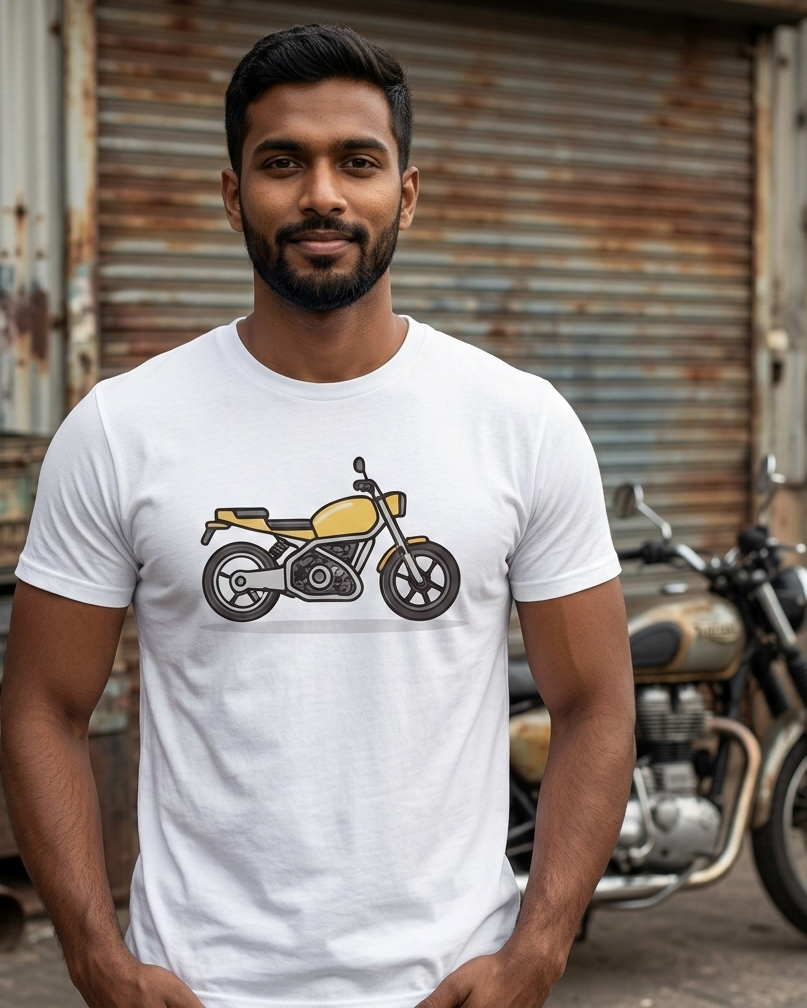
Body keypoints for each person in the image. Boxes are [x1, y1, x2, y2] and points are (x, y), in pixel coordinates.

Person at [0, 23, 635, 1008]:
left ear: (405, 195)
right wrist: (95, 956)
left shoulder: (520, 421)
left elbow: (593, 704)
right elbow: (43, 706)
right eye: (283, 162)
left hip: (449, 982)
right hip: (203, 983)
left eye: (358, 162)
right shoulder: (122, 427)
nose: (323, 194)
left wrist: (539, 948)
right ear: (233, 193)